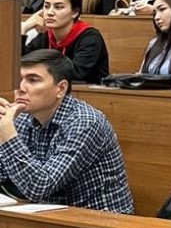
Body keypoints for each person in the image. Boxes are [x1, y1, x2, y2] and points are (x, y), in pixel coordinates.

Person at [0, 50, 133, 212]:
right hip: (50, 214)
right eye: (19, 80)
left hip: (100, 220)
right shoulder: (22, 118)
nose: (20, 88)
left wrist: (8, 135)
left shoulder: (85, 122)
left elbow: (39, 187)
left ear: (61, 88)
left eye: (33, 80)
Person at [30, 0, 109, 83]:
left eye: (58, 7)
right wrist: (23, 29)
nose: (49, 13)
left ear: (75, 12)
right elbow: (20, 64)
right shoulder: (45, 37)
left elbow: (75, 73)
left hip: (85, 91)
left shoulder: (90, 37)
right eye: (46, 6)